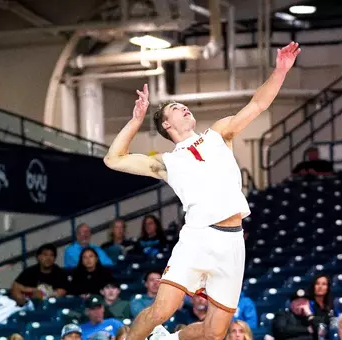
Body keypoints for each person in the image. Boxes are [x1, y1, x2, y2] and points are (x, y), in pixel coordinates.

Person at [104, 41, 300, 340]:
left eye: (184, 106)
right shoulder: (166, 162)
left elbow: (258, 104)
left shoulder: (218, 133)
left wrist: (280, 71)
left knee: (215, 334)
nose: (183, 108)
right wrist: (135, 120)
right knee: (161, 311)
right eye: (175, 108)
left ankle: (168, 339)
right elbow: (113, 159)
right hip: (199, 235)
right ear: (166, 124)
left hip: (233, 241)